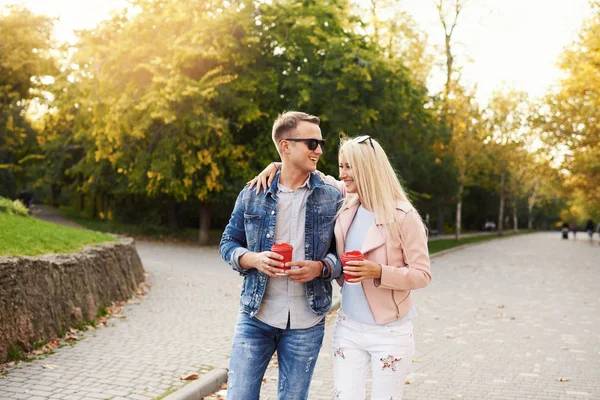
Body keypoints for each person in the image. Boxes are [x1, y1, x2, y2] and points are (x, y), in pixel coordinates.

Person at [251, 135, 431, 399]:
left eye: (349, 167)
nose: (342, 174)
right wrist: (276, 165)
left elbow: (422, 275)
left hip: (390, 332)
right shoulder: (347, 202)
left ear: (369, 167)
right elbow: (310, 174)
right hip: (349, 328)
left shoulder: (404, 216)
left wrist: (379, 272)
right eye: (341, 166)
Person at [219, 111, 343, 400]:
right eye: (312, 143)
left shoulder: (332, 195)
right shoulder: (253, 193)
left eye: (320, 143)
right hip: (255, 316)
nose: (320, 150)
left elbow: (342, 255)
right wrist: (254, 259)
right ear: (286, 146)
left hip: (307, 322)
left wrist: (321, 267)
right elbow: (228, 243)